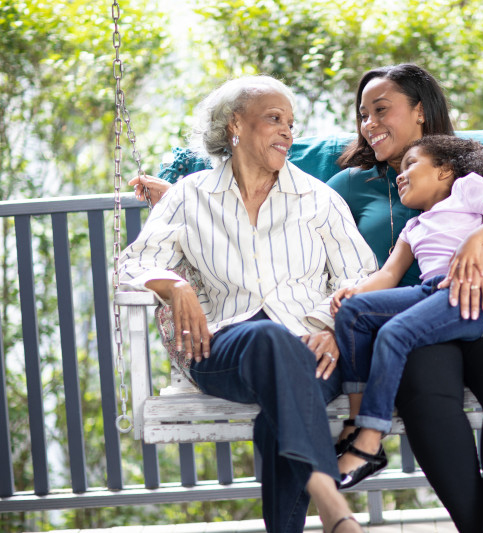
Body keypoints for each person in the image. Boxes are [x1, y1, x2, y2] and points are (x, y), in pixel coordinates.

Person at [119, 75, 373, 533]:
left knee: (285, 403)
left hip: (315, 348)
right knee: (268, 337)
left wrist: (330, 327)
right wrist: (175, 285)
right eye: (274, 118)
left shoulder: (319, 199)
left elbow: (361, 276)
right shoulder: (189, 196)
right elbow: (133, 264)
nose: (287, 132)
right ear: (236, 124)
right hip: (222, 348)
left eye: (291, 124)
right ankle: (331, 503)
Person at [327, 64, 483, 533]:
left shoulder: (463, 166)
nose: (369, 124)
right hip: (415, 309)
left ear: (421, 113)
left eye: (381, 110)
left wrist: (479, 244)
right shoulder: (351, 185)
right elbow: (284, 216)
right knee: (425, 390)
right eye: (362, 114)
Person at [329, 135, 483, 490]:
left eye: (410, 165)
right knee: (353, 312)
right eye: (399, 171)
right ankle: (357, 416)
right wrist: (355, 290)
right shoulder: (414, 225)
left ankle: (370, 443)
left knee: (395, 333)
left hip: (478, 291)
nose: (401, 175)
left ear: (445, 170)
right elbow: (388, 274)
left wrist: (475, 241)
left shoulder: (467, 188)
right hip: (431, 290)